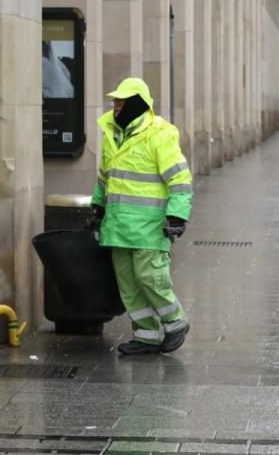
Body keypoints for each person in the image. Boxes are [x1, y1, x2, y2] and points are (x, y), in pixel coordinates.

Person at [91, 77, 193, 355]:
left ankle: (175, 323)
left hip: (149, 226)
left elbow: (180, 180)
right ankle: (146, 334)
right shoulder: (112, 133)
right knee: (128, 283)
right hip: (118, 225)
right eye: (115, 101)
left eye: (121, 102)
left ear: (136, 103)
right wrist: (97, 207)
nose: (115, 106)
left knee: (150, 277)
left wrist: (177, 217)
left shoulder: (159, 134)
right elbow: (104, 177)